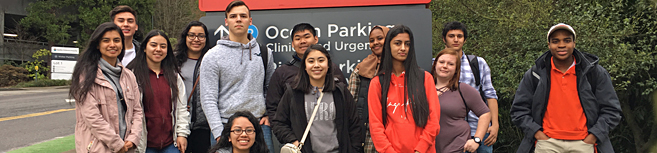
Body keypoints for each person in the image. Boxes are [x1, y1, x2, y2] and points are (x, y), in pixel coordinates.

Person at [510, 23, 622, 153]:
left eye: (567, 40)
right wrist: (537, 134)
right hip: (547, 143)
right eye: (555, 41)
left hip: (584, 143)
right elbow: (518, 110)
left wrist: (593, 136)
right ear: (549, 45)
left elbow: (612, 110)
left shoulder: (594, 73)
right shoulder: (536, 74)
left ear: (574, 43)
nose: (561, 45)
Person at [200, 0, 275, 149]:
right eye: (233, 16)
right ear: (226, 22)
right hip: (225, 126)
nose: (238, 19)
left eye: (243, 16)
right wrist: (218, 132)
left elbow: (271, 89)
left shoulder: (264, 52)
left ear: (250, 21)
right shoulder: (212, 56)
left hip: (258, 126)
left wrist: (268, 116)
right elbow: (208, 98)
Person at [271, 44, 363, 152]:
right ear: (305, 66)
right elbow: (278, 123)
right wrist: (295, 142)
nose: (316, 65)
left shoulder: (340, 91)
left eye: (321, 60)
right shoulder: (293, 93)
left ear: (328, 64)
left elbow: (354, 125)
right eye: (311, 61)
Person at [71, 22, 143, 153]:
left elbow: (137, 111)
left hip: (127, 147)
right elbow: (92, 117)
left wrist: (134, 138)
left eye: (117, 40)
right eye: (106, 40)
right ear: (98, 44)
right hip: (99, 148)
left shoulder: (129, 76)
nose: (112, 45)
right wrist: (116, 144)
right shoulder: (86, 76)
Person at [368, 25, 441, 153]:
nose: (403, 48)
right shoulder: (377, 83)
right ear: (388, 46)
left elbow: (433, 120)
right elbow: (376, 126)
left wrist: (420, 149)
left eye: (407, 44)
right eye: (397, 43)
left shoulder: (425, 78)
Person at [127, 30, 190, 153]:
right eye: (153, 45)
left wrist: (182, 134)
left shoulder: (174, 77)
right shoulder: (133, 76)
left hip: (170, 143)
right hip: (143, 144)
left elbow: (181, 108)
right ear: (145, 48)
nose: (158, 49)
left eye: (163, 46)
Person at [442, 21, 499, 153]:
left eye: (459, 36)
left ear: (465, 40)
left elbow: (490, 94)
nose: (456, 39)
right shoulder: (437, 65)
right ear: (444, 39)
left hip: (479, 129)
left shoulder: (478, 63)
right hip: (450, 132)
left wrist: (495, 125)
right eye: (451, 36)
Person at [431, 48, 491, 153]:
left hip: (458, 147)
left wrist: (477, 140)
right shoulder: (424, 89)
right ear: (435, 64)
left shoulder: (463, 89)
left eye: (450, 64)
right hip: (430, 148)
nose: (445, 66)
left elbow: (485, 114)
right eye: (441, 62)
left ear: (456, 69)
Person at [347, 25, 389, 153]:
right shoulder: (361, 68)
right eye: (372, 40)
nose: (375, 43)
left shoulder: (399, 68)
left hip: (391, 131)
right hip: (365, 132)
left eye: (380, 38)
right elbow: (350, 103)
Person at [174, 21, 212, 153]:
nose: (196, 39)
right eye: (192, 35)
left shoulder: (211, 60)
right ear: (185, 37)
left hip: (204, 125)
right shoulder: (173, 61)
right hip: (178, 123)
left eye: (201, 36)